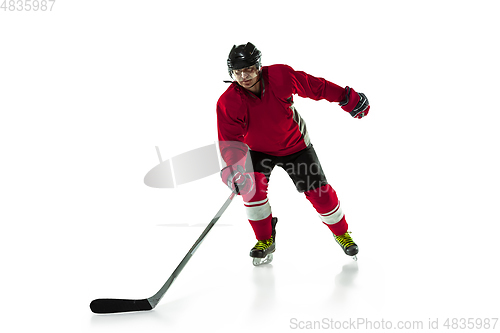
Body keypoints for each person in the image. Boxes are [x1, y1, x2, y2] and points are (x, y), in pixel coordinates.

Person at [217, 42, 369, 265]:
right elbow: (230, 142)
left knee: (321, 194)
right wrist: (234, 168)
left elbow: (317, 87)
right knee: (252, 191)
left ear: (258, 66)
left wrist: (347, 97)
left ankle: (342, 233)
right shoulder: (228, 102)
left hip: (295, 146)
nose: (244, 76)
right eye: (238, 72)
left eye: (249, 69)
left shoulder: (280, 75)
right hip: (258, 151)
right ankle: (265, 239)